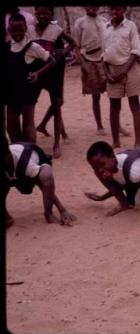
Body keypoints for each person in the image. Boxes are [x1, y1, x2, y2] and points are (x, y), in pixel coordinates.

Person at [28, 6, 76, 158]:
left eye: (46, 13)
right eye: (39, 13)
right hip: (35, 70)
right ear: (35, 13)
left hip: (53, 72)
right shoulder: (29, 29)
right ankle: (31, 139)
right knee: (30, 105)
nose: (42, 16)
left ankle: (56, 143)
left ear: (51, 14)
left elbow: (73, 43)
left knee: (56, 105)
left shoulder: (56, 29)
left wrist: (64, 52)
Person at [5, 13, 56, 144]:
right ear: (8, 30)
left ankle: (31, 152)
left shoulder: (33, 47)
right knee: (11, 126)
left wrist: (37, 73)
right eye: (13, 30)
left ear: (25, 29)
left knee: (28, 124)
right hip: (11, 92)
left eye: (19, 30)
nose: (16, 33)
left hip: (27, 92)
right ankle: (18, 152)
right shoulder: (7, 47)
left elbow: (51, 61)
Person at [85, 141, 140, 217]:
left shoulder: (132, 169)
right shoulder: (109, 167)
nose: (100, 169)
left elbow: (126, 185)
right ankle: (124, 203)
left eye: (102, 164)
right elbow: (121, 184)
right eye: (95, 167)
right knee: (99, 173)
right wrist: (101, 198)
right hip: (135, 179)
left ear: (112, 157)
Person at [5, 141, 77, 226]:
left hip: (33, 161)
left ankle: (48, 214)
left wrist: (62, 210)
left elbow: (43, 185)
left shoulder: (27, 164)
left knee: (45, 176)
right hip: (15, 171)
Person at [102, 6, 140, 149]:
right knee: (114, 106)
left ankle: (138, 141)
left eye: (118, 9)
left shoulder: (130, 26)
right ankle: (115, 141)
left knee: (134, 104)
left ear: (124, 9)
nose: (115, 12)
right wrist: (107, 73)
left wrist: (124, 71)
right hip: (111, 70)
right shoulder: (105, 27)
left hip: (129, 69)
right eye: (112, 9)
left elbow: (135, 50)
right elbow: (104, 54)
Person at [73, 6, 108, 136]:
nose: (91, 8)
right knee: (95, 95)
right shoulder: (80, 23)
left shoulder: (104, 21)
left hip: (105, 60)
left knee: (113, 93)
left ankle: (117, 124)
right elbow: (76, 45)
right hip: (89, 60)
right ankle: (99, 125)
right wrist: (83, 64)